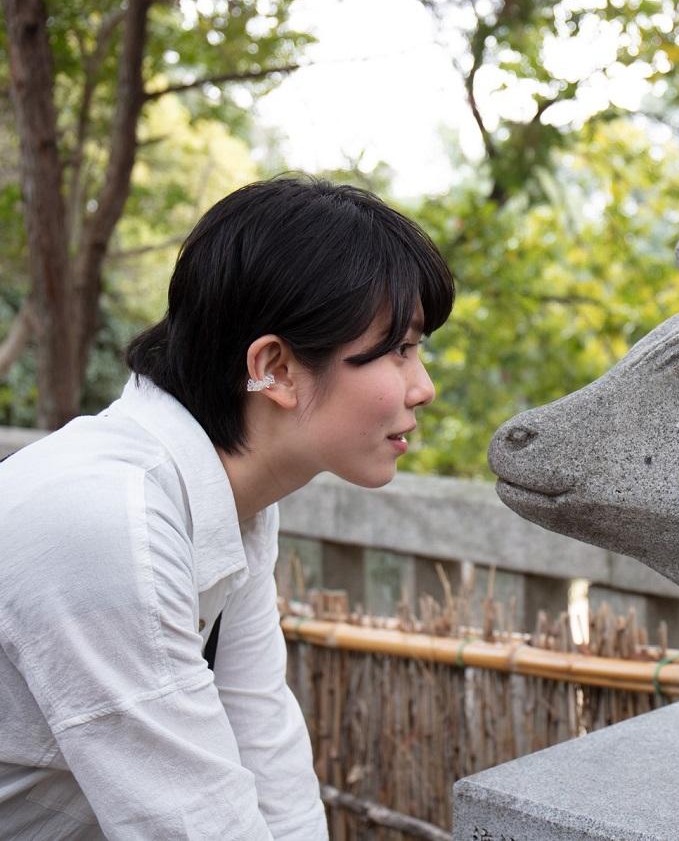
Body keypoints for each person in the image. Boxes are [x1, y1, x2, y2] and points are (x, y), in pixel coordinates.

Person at [0, 176, 455, 839]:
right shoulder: (106, 522)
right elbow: (192, 822)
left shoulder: (233, 501)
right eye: (399, 350)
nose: (424, 387)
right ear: (273, 366)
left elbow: (260, 736)